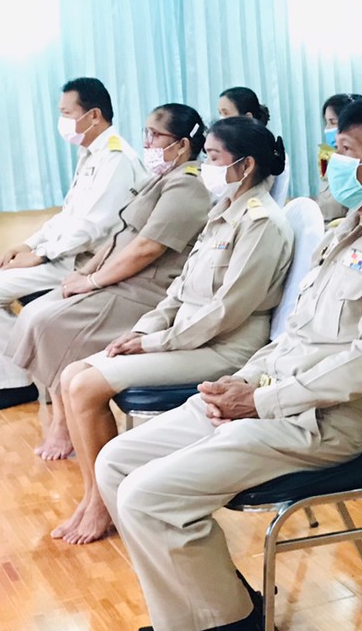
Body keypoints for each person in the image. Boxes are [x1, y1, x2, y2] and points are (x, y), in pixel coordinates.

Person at [95, 94, 362, 631]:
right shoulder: (343, 234)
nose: (334, 162)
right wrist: (243, 384)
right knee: (115, 463)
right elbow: (294, 338)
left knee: (149, 496)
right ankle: (201, 613)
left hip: (318, 425)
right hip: (267, 400)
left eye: (347, 150)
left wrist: (262, 401)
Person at [51, 118, 296, 545]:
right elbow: (179, 291)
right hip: (185, 337)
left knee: (86, 386)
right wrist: (142, 331)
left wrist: (154, 343)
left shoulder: (262, 223)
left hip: (225, 348)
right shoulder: (222, 213)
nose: (206, 167)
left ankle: (102, 505)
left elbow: (226, 311)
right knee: (72, 375)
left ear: (245, 165)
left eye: (214, 158)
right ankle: (94, 495)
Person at [8, 105, 213, 459]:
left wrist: (93, 282)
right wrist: (85, 274)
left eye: (155, 135)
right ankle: (63, 416)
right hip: (118, 278)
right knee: (34, 311)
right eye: (146, 133)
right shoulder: (160, 179)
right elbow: (120, 236)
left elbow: (146, 249)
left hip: (144, 290)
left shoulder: (187, 186)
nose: (147, 142)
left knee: (48, 323)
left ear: (181, 145)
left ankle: (64, 423)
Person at [0, 78, 142, 412]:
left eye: (67, 113)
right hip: (62, 254)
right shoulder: (91, 154)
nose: (62, 121)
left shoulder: (117, 159)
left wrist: (41, 256)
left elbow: (91, 226)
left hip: (84, 262)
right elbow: (67, 215)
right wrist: (26, 245)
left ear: (94, 115)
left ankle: (15, 382)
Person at [316, 92, 356, 223]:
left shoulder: (357, 162)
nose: (327, 129)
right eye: (326, 123)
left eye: (333, 122)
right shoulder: (329, 157)